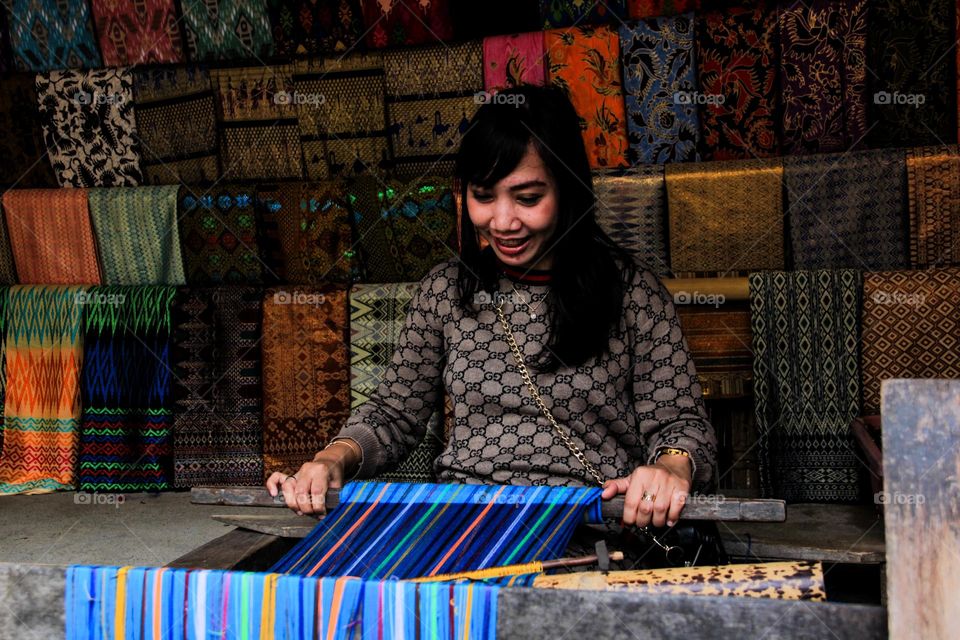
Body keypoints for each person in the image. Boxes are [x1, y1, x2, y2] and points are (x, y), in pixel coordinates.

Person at [267, 84, 718, 558]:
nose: (502, 221)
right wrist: (331, 459)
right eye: (484, 196)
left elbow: (680, 423)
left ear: (567, 187)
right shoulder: (447, 291)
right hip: (463, 526)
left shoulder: (634, 295)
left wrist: (671, 468)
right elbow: (393, 415)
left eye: (527, 197)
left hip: (589, 529)